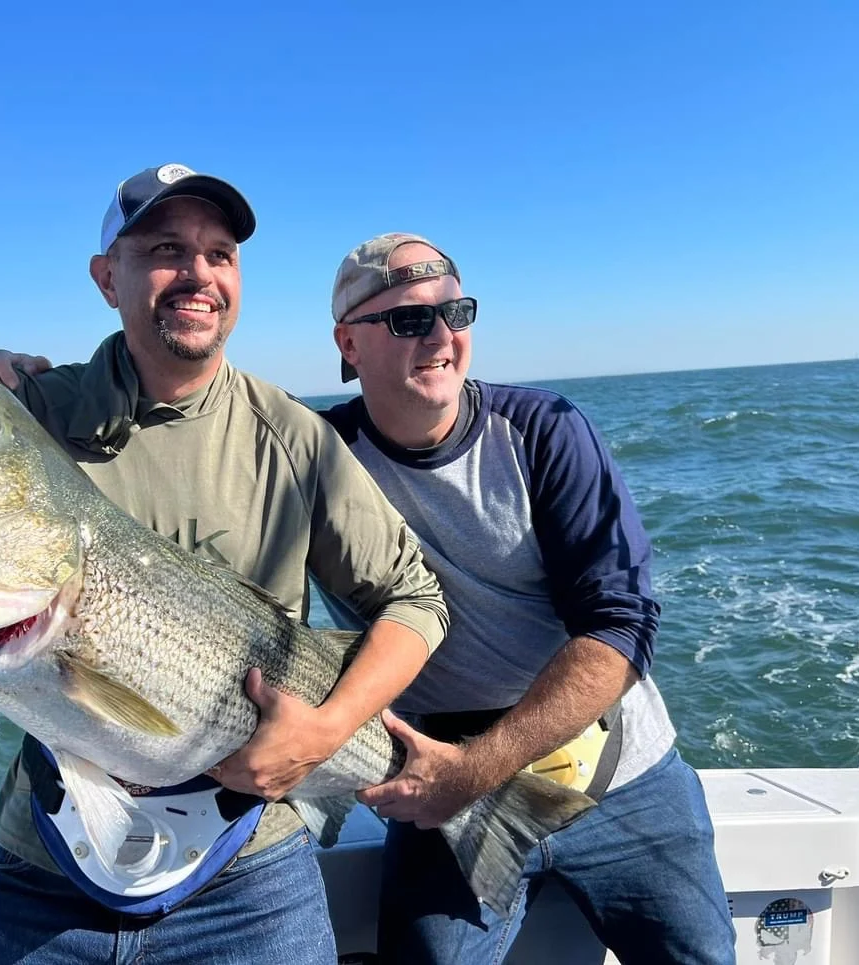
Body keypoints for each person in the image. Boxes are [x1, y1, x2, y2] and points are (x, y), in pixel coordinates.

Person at [0, 167, 449, 965]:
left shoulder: (295, 436)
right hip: (44, 867)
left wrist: (327, 733)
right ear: (108, 278)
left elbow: (415, 598)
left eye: (220, 253)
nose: (198, 274)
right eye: (166, 249)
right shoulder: (34, 406)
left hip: (252, 865)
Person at [318, 232, 737, 964]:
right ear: (348, 343)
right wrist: (48, 397)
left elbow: (621, 625)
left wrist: (475, 771)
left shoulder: (545, 433)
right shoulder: (314, 458)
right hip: (438, 785)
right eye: (411, 320)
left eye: (458, 312)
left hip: (620, 775)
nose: (444, 337)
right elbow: (192, 449)